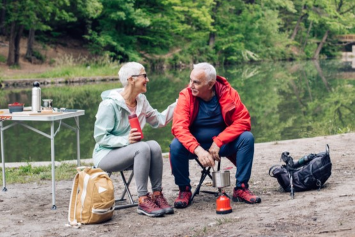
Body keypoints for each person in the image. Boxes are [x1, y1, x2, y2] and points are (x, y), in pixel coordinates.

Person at [170, 62, 261, 208]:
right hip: (195, 146)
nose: (190, 85)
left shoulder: (228, 93)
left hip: (222, 146)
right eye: (190, 80)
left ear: (210, 84)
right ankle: (184, 189)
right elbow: (178, 127)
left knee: (247, 138)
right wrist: (198, 149)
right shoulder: (186, 95)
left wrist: (219, 142)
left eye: (196, 82)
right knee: (175, 145)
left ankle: (241, 188)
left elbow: (243, 121)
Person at [93, 62, 176, 217]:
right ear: (131, 79)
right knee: (143, 147)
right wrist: (125, 140)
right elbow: (100, 137)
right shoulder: (109, 104)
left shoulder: (141, 101)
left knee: (154, 146)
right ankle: (143, 199)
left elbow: (159, 120)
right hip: (105, 155)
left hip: (132, 153)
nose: (148, 79)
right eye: (144, 75)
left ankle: (157, 195)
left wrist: (180, 103)